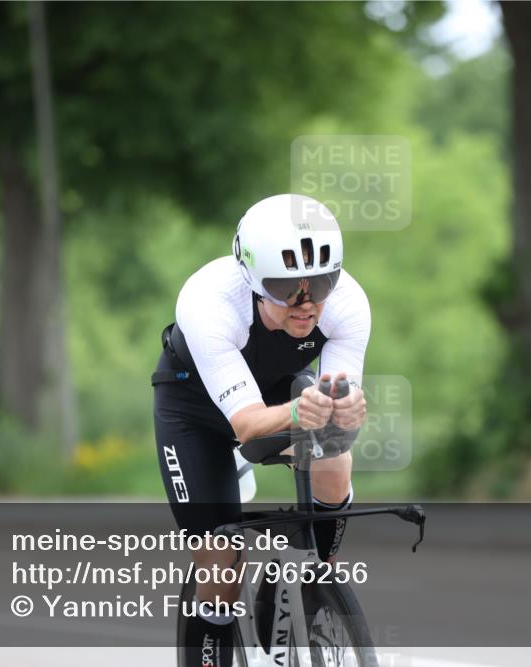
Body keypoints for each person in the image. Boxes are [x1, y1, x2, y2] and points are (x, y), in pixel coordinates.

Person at [152, 193, 371, 666]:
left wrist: (348, 408)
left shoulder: (347, 302)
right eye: (286, 288)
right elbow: (248, 424)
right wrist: (300, 411)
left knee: (335, 453)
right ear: (252, 280)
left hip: (277, 394)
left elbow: (339, 403)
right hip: (195, 412)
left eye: (320, 284)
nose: (306, 304)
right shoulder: (210, 302)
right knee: (221, 569)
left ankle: (318, 584)